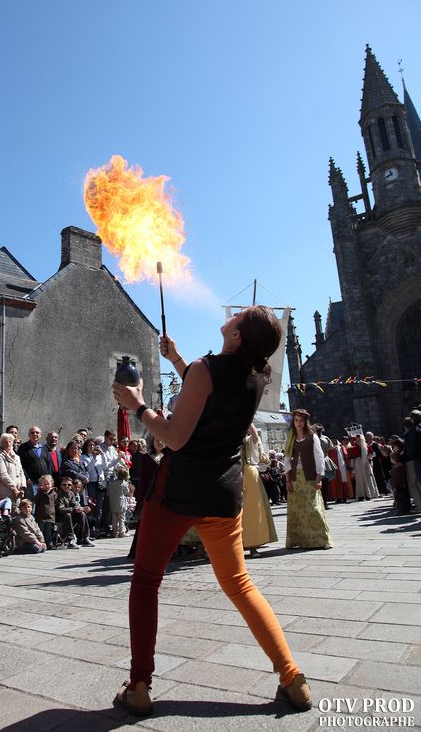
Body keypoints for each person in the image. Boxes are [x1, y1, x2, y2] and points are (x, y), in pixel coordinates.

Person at [112, 306, 312, 716]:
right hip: (223, 493)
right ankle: (293, 679)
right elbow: (210, 392)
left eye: (238, 318)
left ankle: (139, 686)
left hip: (179, 490)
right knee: (239, 584)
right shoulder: (256, 377)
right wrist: (178, 360)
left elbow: (175, 437)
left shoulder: (207, 370)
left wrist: (137, 406)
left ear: (237, 336)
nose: (231, 317)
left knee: (147, 581)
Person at [283, 410, 332, 551]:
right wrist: (287, 480)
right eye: (296, 420)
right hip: (294, 478)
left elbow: (319, 457)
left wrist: (319, 478)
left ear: (305, 422)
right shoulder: (290, 437)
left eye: (301, 421)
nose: (299, 423)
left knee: (313, 508)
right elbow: (287, 459)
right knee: (296, 510)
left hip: (309, 476)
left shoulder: (312, 437)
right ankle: (298, 540)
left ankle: (322, 539)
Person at [241, 424, 277, 558]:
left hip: (249, 475)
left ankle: (253, 545)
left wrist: (247, 414)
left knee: (252, 512)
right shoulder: (228, 439)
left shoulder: (249, 439)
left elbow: (255, 436)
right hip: (232, 474)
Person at [0, 433, 26, 509]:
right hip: (5, 492)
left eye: (9, 441)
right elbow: (3, 475)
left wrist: (22, 487)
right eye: (5, 442)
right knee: (7, 515)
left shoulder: (17, 457)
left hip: (18, 492)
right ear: (1, 444)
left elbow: (21, 472)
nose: (8, 443)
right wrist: (14, 488)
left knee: (16, 513)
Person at [17, 426, 52, 499]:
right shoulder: (23, 448)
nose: (35, 434)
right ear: (29, 435)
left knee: (43, 503)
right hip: (32, 482)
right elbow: (19, 465)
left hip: (44, 482)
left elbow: (49, 463)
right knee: (33, 504)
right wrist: (27, 478)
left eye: (37, 432)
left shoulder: (44, 447)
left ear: (41, 435)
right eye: (32, 432)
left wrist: (49, 477)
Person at [346, 433, 379, 501]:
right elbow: (352, 459)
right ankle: (361, 495)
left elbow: (373, 454)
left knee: (367, 479)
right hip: (358, 465)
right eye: (357, 440)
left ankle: (369, 494)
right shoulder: (354, 448)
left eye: (359, 440)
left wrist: (370, 456)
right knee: (359, 480)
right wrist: (353, 469)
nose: (358, 441)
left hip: (366, 465)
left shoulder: (366, 447)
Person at [34, 475, 57, 548]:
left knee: (48, 530)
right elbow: (36, 501)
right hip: (41, 515)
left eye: (47, 484)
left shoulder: (54, 493)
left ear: (51, 484)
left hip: (50, 515)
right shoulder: (39, 493)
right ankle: (41, 542)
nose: (46, 486)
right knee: (40, 530)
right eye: (43, 484)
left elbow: (56, 503)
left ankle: (49, 542)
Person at [108, 467, 130, 537]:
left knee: (114, 518)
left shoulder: (111, 484)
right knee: (121, 518)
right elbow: (127, 492)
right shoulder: (124, 484)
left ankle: (115, 532)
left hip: (113, 502)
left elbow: (108, 493)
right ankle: (122, 531)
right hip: (121, 503)